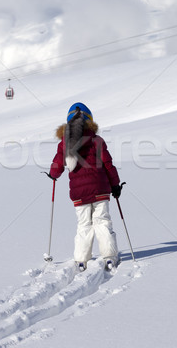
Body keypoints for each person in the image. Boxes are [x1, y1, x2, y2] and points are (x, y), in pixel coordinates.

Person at [48, 102, 123, 271]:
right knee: (102, 222)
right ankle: (109, 257)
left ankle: (81, 260)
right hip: (100, 190)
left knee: (84, 224)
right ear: (90, 121)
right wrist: (115, 185)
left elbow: (57, 165)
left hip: (79, 193)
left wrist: (53, 175)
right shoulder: (97, 141)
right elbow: (108, 165)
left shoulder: (64, 144)